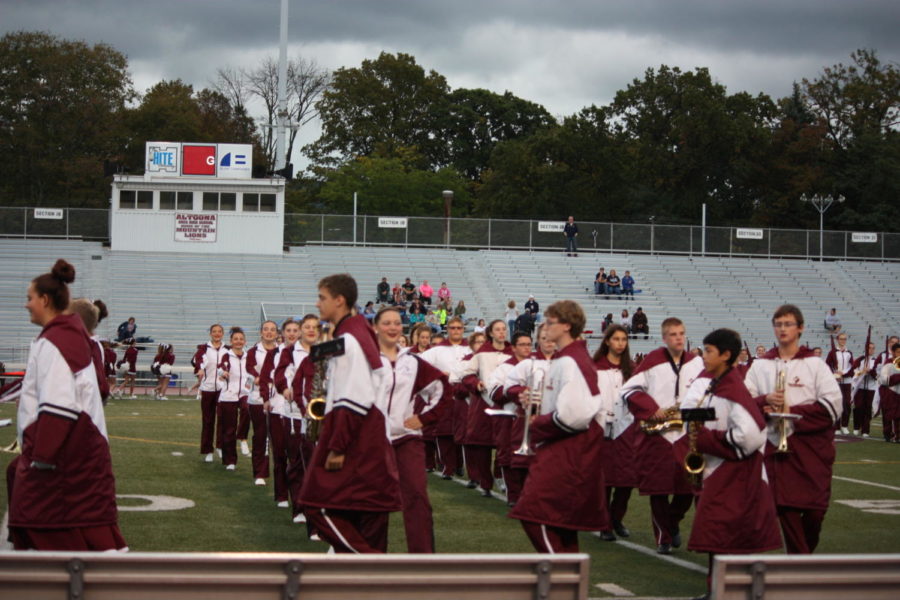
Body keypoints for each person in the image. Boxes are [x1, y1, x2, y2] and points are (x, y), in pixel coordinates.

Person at [9, 259, 127, 551]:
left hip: (66, 460)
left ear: (45, 300)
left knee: (60, 537)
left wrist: (41, 458)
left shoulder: (56, 341)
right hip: (79, 453)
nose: (26, 305)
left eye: (30, 298)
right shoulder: (67, 337)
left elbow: (59, 407)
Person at [299, 274, 402, 553]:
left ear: (339, 300)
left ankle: (372, 569)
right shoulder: (359, 331)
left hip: (358, 441)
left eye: (322, 297)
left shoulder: (351, 339)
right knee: (368, 522)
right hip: (372, 441)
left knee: (316, 504)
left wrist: (337, 447)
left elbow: (355, 398)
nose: (317, 303)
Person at [681, 328, 782, 598]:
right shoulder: (715, 383)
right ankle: (717, 589)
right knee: (718, 535)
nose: (703, 356)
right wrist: (696, 423)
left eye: (709, 352)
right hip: (720, 471)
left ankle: (729, 590)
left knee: (730, 535)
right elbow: (694, 411)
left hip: (735, 473)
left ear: (726, 355)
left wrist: (704, 438)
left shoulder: (732, 387)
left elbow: (749, 435)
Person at [509, 300, 607, 552]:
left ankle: (561, 581)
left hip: (567, 450)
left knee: (534, 514)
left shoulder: (571, 361)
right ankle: (570, 582)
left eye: (550, 322)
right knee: (561, 524)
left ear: (566, 326)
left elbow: (574, 415)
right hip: (566, 448)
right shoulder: (569, 358)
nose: (545, 326)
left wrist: (539, 422)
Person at [744, 304, 842, 554]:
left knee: (815, 512)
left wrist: (792, 413)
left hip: (812, 449)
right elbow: (744, 403)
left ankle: (802, 560)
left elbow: (832, 406)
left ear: (800, 328)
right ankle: (800, 566)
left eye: (788, 324)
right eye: (778, 324)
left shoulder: (815, 364)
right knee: (785, 506)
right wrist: (765, 402)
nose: (782, 329)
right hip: (777, 449)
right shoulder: (760, 365)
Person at [621, 317, 705, 554]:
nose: (679, 338)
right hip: (659, 435)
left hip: (686, 435)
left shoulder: (697, 363)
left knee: (687, 489)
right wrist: (651, 409)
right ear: (665, 338)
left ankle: (673, 523)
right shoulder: (652, 361)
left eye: (682, 333)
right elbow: (628, 389)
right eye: (674, 334)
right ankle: (663, 538)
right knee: (658, 490)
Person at [374, 306, 449, 552]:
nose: (393, 327)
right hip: (372, 442)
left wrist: (425, 418)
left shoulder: (413, 362)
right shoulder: (365, 361)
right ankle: (372, 557)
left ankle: (423, 560)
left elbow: (442, 390)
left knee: (417, 497)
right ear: (375, 328)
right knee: (374, 501)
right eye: (387, 323)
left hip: (407, 439)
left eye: (397, 323)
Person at [501, 324, 556, 506]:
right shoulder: (527, 364)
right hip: (528, 418)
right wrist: (524, 392)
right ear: (539, 340)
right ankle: (519, 497)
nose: (549, 342)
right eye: (545, 338)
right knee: (524, 462)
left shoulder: (566, 364)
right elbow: (509, 387)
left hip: (556, 421)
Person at [593, 324, 637, 541]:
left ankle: (616, 517)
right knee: (605, 480)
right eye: (616, 339)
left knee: (626, 480)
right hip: (601, 427)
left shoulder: (632, 368)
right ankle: (604, 523)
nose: (620, 343)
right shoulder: (595, 367)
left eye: (624, 339)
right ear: (607, 340)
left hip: (626, 428)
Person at [457, 319, 512, 496]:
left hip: (505, 403)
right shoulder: (481, 353)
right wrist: (476, 383)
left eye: (504, 329)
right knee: (482, 445)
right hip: (482, 403)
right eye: (498, 329)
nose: (502, 332)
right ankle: (485, 483)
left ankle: (499, 476)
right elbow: (466, 374)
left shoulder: (513, 353)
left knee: (505, 444)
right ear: (491, 333)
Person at [486, 331, 534, 502]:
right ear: (513, 348)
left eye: (529, 344)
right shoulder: (504, 368)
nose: (526, 348)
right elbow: (494, 392)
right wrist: (515, 391)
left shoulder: (536, 365)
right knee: (507, 455)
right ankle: (513, 494)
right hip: (509, 416)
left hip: (530, 419)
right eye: (522, 344)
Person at [421, 316, 470, 480]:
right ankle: (447, 466)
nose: (456, 331)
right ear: (447, 330)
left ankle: (459, 465)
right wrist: (438, 376)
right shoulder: (437, 350)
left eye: (459, 328)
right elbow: (419, 364)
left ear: (463, 330)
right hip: (444, 393)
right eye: (453, 328)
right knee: (444, 432)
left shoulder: (471, 350)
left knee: (463, 432)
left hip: (464, 394)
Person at [285, 315, 323, 522]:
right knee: (300, 463)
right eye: (306, 327)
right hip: (297, 416)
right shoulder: (290, 352)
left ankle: (319, 512)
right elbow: (288, 380)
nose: (310, 330)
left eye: (314, 327)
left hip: (326, 420)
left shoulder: (328, 352)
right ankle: (300, 508)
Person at [263, 318, 301, 508]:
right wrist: (266, 399)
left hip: (299, 412)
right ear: (283, 333)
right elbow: (264, 378)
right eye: (289, 330)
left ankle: (300, 499)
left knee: (297, 456)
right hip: (278, 408)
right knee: (279, 453)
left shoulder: (307, 352)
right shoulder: (275, 353)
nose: (292, 333)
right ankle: (281, 494)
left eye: (296, 330)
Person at [246, 320, 279, 487]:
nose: (269, 332)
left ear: (277, 333)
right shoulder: (253, 351)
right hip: (258, 399)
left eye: (272, 330)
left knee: (279, 438)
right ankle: (260, 472)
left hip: (278, 400)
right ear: (261, 332)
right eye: (266, 329)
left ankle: (280, 473)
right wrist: (257, 378)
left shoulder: (283, 351)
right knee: (260, 436)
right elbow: (249, 368)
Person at [192, 324, 227, 463]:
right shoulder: (203, 348)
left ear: (223, 334)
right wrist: (199, 369)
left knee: (223, 419)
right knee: (208, 421)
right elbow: (197, 361)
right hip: (207, 389)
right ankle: (208, 450)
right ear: (210, 334)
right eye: (214, 332)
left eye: (219, 332)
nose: (217, 334)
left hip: (223, 390)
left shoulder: (228, 350)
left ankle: (220, 446)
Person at [217, 328, 250, 471]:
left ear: (245, 341)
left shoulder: (249, 356)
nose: (238, 341)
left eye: (241, 339)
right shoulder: (226, 355)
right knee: (228, 429)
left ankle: (242, 437)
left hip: (244, 392)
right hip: (229, 394)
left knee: (247, 409)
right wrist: (223, 373)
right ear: (231, 342)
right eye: (235, 339)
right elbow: (220, 368)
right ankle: (230, 460)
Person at [825, 333, 854, 434]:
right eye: (841, 339)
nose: (843, 341)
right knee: (837, 403)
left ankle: (844, 425)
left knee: (846, 403)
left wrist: (844, 373)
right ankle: (836, 426)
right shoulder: (832, 352)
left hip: (847, 381)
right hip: (836, 382)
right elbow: (827, 365)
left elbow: (852, 367)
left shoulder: (849, 353)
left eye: (845, 339)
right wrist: (835, 375)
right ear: (837, 340)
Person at [850, 342, 878, 437]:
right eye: (869, 348)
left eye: (873, 348)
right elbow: (854, 372)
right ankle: (856, 427)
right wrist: (863, 371)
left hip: (871, 388)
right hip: (860, 388)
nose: (871, 350)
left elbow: (878, 375)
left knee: (868, 408)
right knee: (858, 408)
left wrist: (871, 372)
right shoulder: (860, 360)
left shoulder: (875, 361)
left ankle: (865, 430)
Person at [877, 343, 900, 443]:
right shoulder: (888, 363)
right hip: (890, 393)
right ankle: (888, 434)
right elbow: (884, 380)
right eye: (898, 352)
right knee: (889, 415)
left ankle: (898, 436)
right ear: (893, 352)